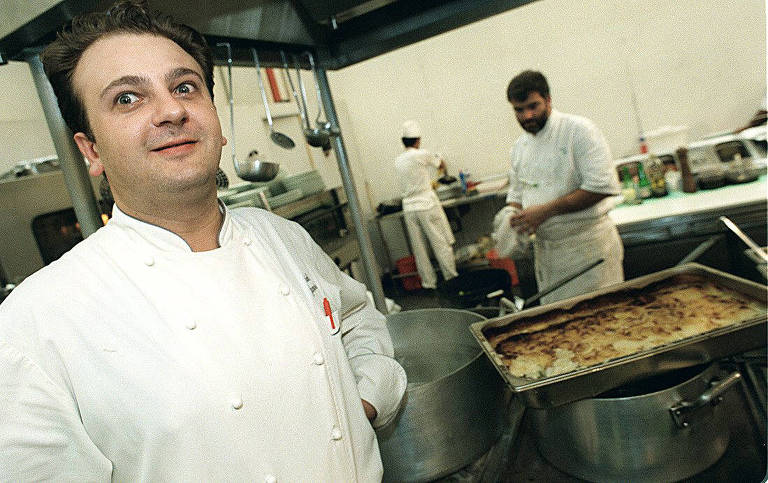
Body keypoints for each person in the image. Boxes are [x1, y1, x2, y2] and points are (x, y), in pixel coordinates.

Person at [0, 1, 406, 481]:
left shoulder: (281, 236)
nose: (171, 110)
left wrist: (362, 404)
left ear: (213, 117)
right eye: (127, 98)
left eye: (184, 87)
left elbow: (361, 322)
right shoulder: (34, 322)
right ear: (91, 149)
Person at [505, 70, 624, 304]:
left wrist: (546, 211)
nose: (527, 115)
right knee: (562, 327)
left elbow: (600, 187)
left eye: (533, 106)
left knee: (600, 322)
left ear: (548, 99)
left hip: (588, 249)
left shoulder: (579, 131)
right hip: (549, 254)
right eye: (519, 110)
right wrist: (513, 218)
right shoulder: (519, 148)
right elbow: (517, 195)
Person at [394, 120, 458, 289]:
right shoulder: (421, 154)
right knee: (440, 242)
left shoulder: (398, 161)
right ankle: (451, 279)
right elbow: (441, 164)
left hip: (409, 208)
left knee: (419, 249)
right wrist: (439, 159)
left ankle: (429, 284)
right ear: (417, 140)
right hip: (426, 205)